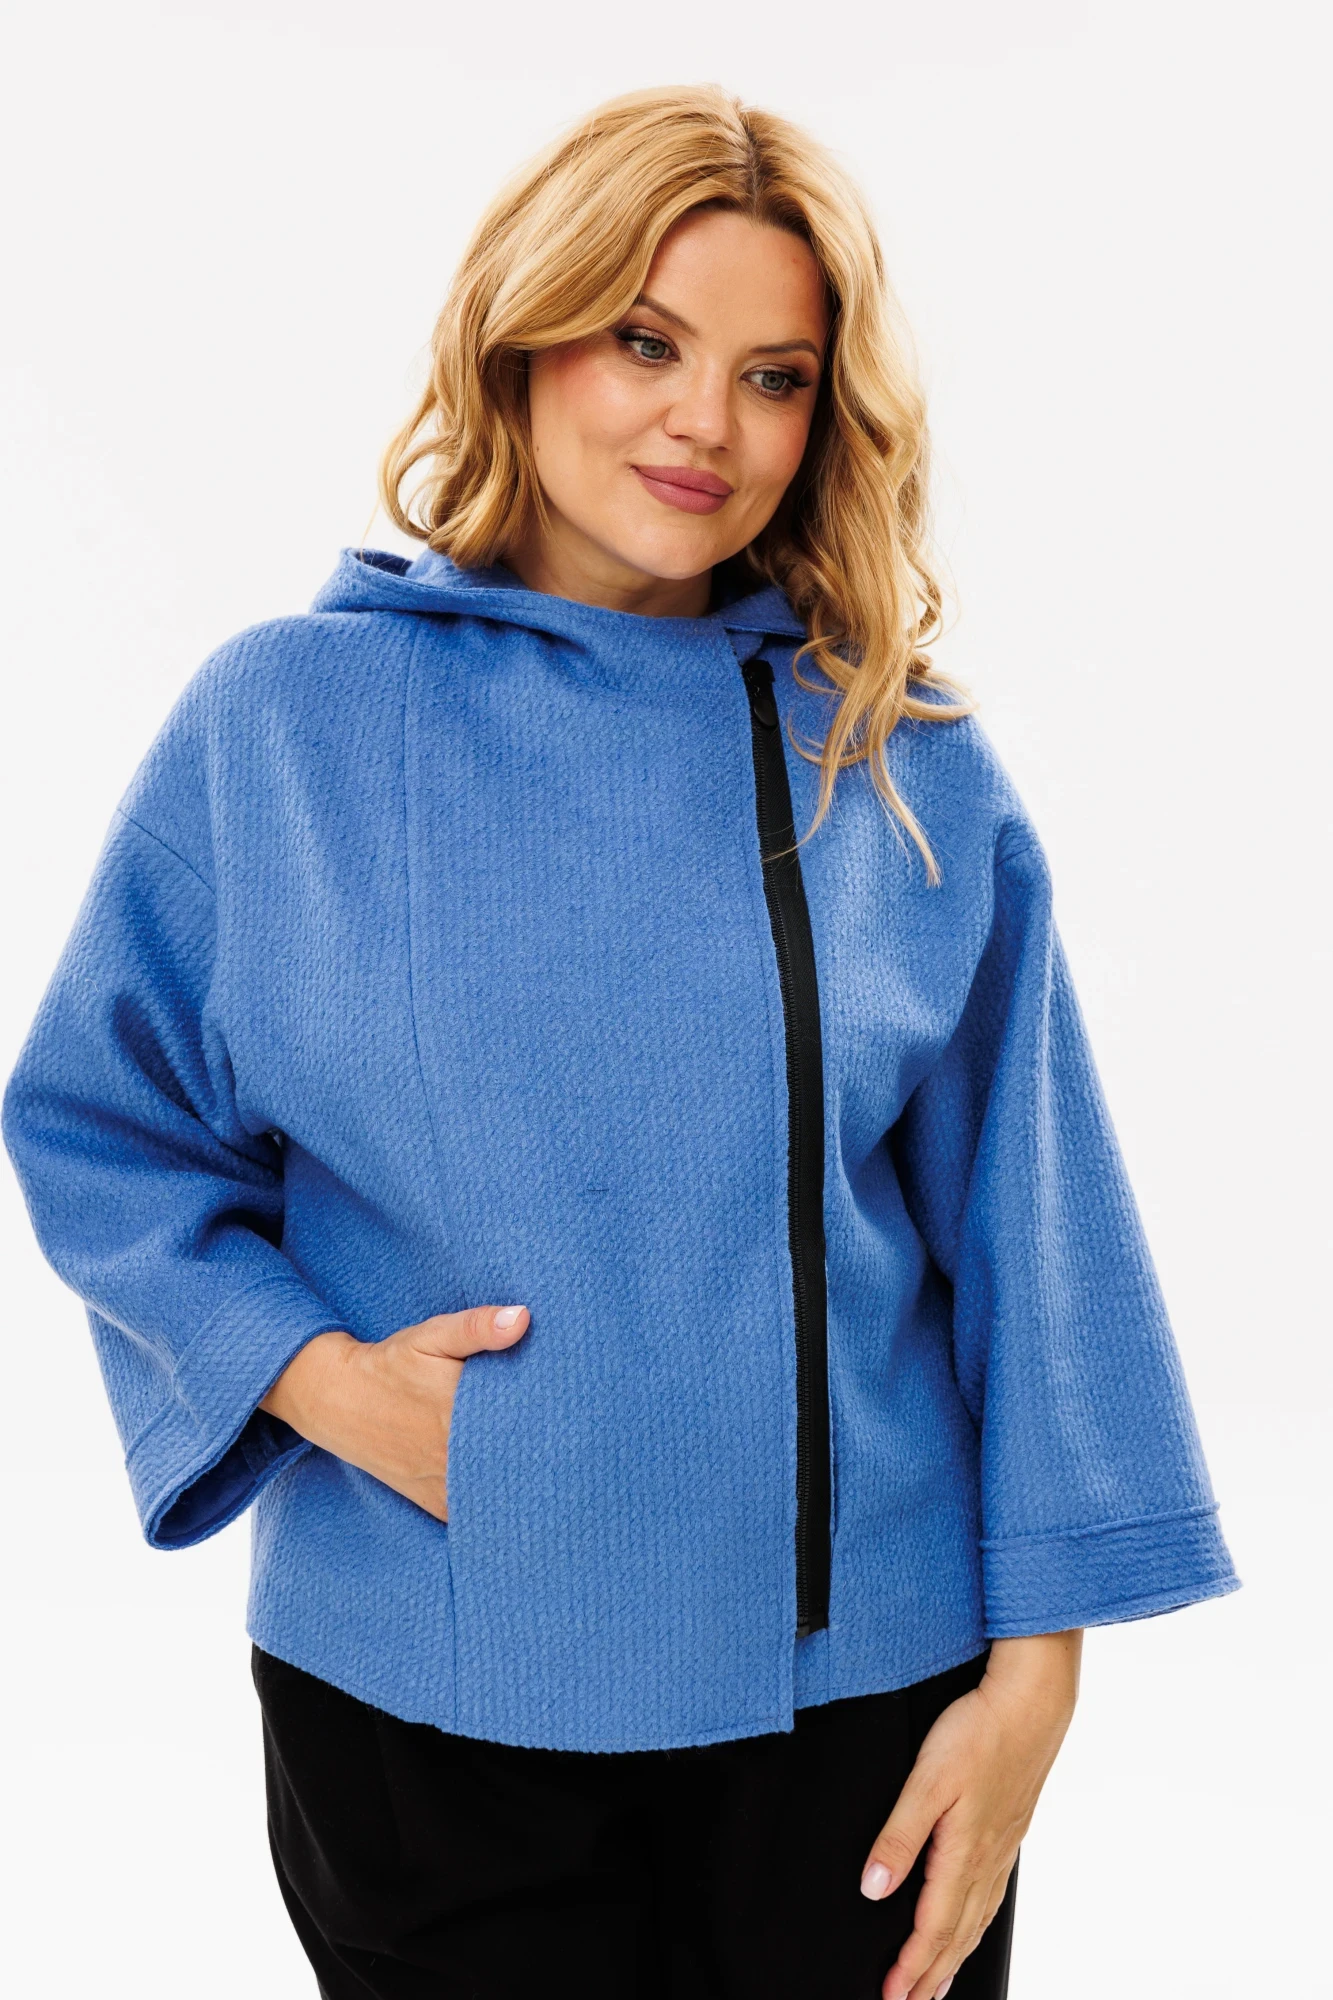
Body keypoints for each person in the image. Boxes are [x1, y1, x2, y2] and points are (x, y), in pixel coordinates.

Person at [3, 85, 1238, 2000]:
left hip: (861, 1705)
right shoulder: (287, 722)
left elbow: (1036, 1229)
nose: (704, 425)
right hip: (432, 1688)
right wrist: (320, 1381)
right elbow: (102, 1127)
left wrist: (1037, 1685)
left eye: (775, 377)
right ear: (522, 339)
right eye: (646, 343)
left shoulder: (898, 763)